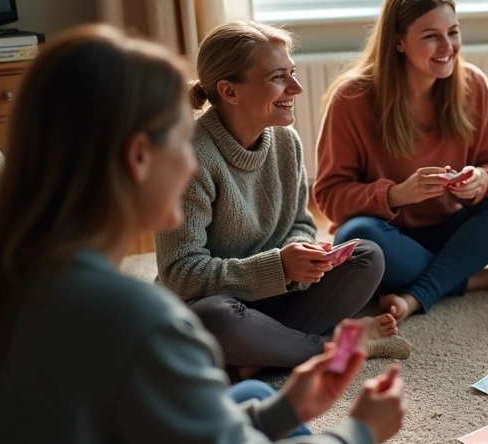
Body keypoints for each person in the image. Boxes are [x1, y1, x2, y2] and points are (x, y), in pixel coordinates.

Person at [0, 24, 470, 444]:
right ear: (140, 157)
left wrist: (291, 408)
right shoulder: (141, 323)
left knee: (256, 392)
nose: (188, 162)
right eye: (176, 139)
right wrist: (360, 431)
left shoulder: (12, 281)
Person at [155, 21, 401, 380]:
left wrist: (305, 254)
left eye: (293, 73)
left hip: (273, 297)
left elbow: (299, 223)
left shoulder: (287, 142)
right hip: (215, 305)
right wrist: (279, 267)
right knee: (217, 318)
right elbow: (180, 274)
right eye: (277, 77)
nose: (297, 88)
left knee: (367, 256)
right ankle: (337, 349)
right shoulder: (190, 159)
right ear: (229, 91)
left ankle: (255, 358)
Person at [314, 0, 488, 321]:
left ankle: (419, 292)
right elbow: (329, 196)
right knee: (357, 236)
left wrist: (481, 179)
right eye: (431, 36)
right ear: (398, 41)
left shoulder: (473, 84)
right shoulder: (352, 98)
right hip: (393, 236)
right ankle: (468, 279)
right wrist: (398, 194)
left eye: (453, 32)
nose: (447, 46)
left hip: (454, 230)